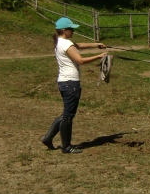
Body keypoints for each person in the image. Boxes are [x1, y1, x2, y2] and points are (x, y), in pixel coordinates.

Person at [41, 17, 109, 154]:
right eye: (71, 29)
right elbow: (80, 61)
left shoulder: (61, 42)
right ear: (64, 31)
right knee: (68, 115)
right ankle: (66, 146)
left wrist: (96, 45)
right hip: (71, 83)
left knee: (67, 113)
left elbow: (79, 45)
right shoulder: (66, 44)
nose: (73, 31)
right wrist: (99, 56)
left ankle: (48, 138)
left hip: (64, 82)